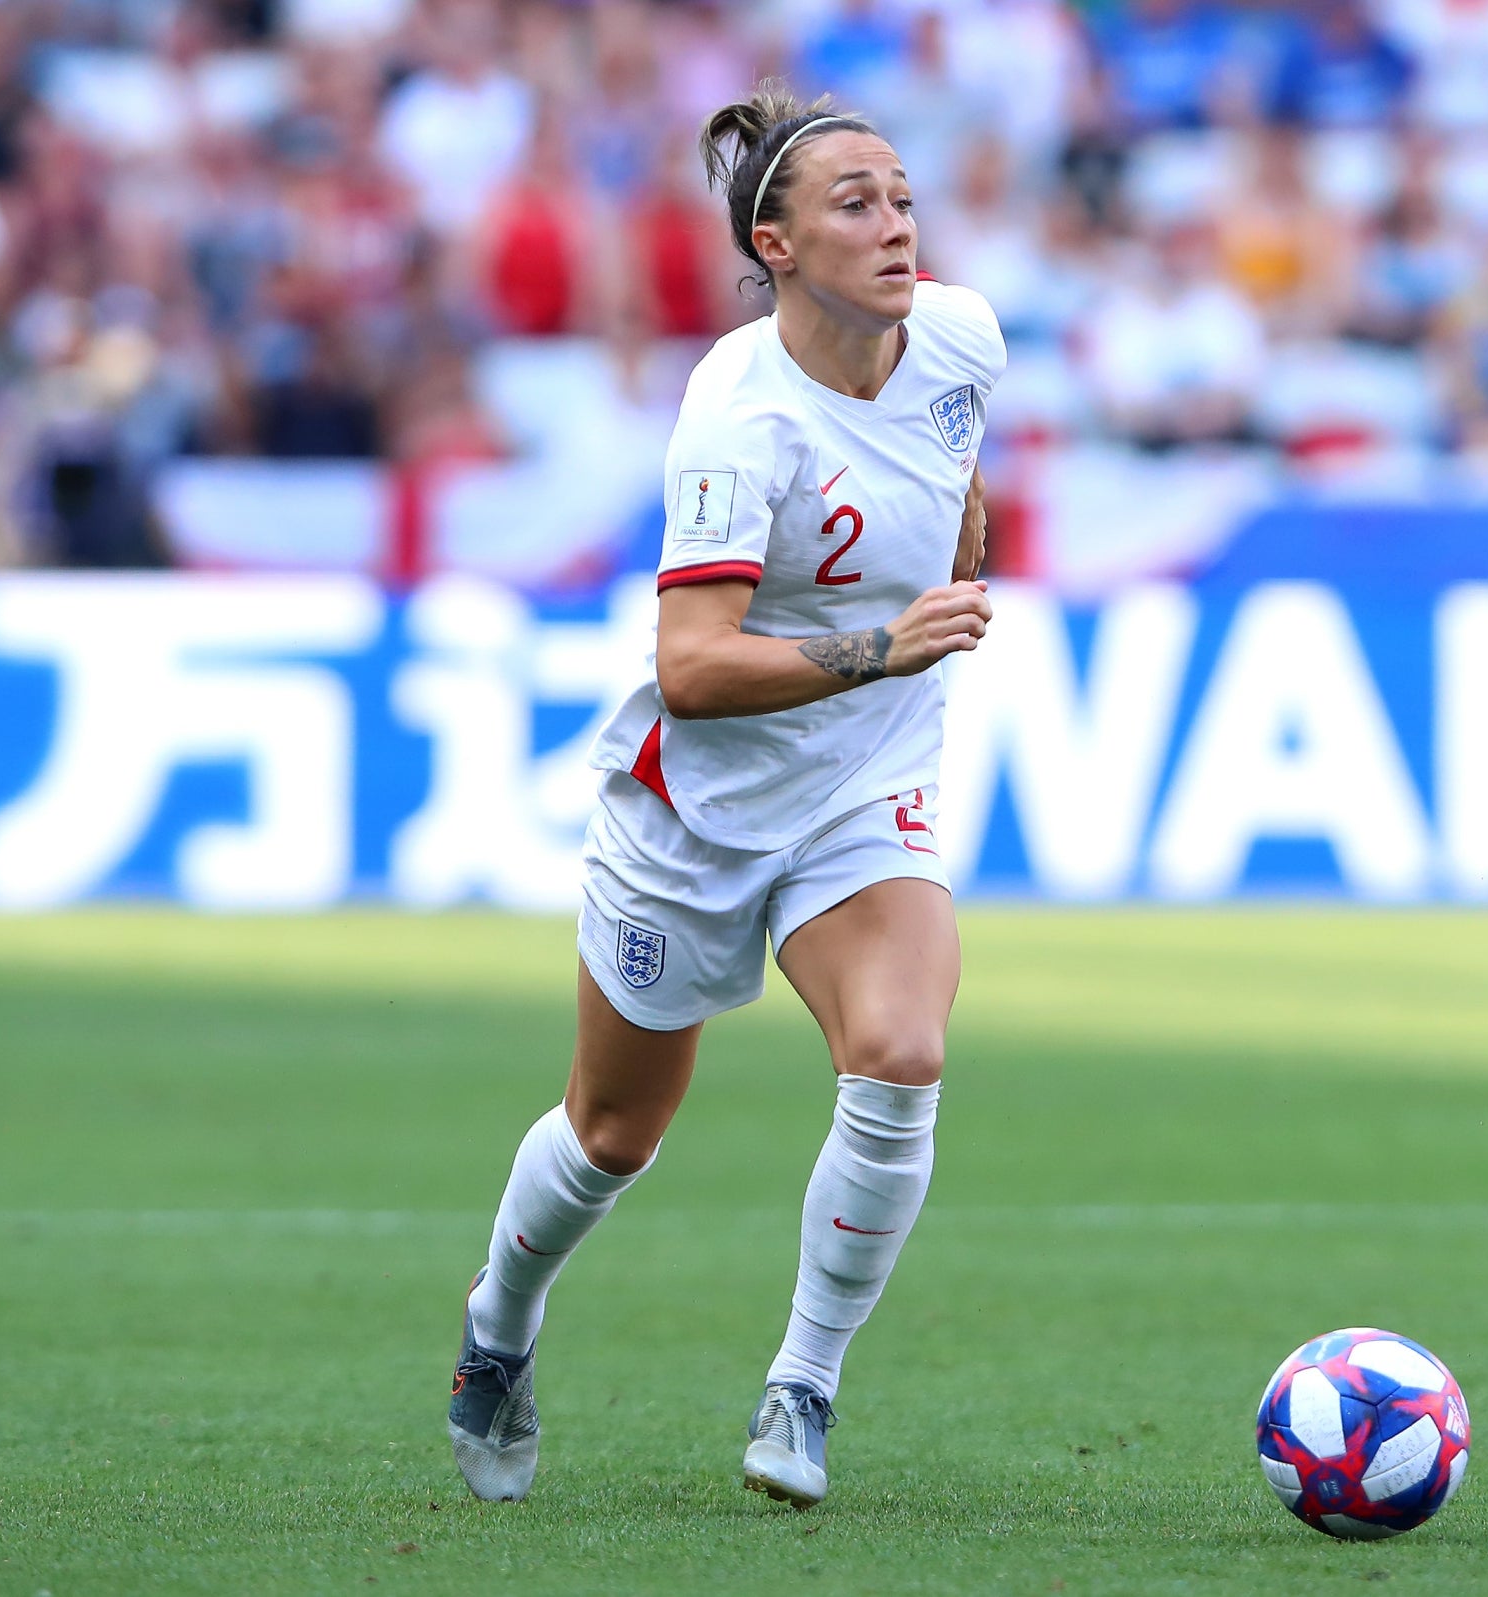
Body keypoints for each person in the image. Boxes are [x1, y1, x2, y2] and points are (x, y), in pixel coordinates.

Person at [445, 84, 1002, 1512]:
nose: (895, 228)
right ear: (777, 242)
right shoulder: (735, 414)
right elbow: (690, 667)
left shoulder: (963, 336)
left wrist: (951, 567)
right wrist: (886, 638)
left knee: (900, 1049)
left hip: (869, 771)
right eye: (856, 205)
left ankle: (801, 1386)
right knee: (615, 1130)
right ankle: (498, 1325)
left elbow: (955, 475)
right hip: (699, 806)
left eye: (902, 197)